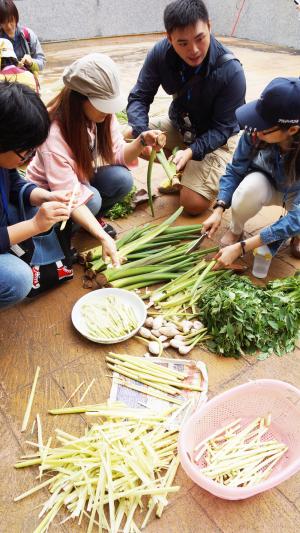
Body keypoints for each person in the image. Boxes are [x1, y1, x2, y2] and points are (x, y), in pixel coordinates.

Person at [26, 53, 165, 247]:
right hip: (48, 194)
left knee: (121, 179)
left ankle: (86, 223)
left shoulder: (102, 116)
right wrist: (102, 237)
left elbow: (117, 153)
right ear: (79, 99)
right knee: (91, 201)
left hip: (78, 180)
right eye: (102, 105)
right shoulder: (54, 133)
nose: (108, 111)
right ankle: (57, 236)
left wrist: (142, 141)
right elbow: (70, 195)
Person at [126, 0, 246, 215]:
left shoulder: (231, 71)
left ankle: (220, 173)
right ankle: (185, 170)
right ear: (169, 38)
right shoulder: (159, 54)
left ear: (209, 26)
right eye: (182, 43)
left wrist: (192, 151)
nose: (194, 50)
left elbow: (223, 129)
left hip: (216, 139)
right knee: (126, 135)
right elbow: (139, 97)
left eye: (200, 38)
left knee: (192, 204)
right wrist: (142, 133)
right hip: (181, 125)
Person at [202, 77, 300, 266]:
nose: (255, 130)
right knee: (247, 190)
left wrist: (243, 247)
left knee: (297, 222)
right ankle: (236, 229)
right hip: (267, 181)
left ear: (293, 129)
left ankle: (297, 235)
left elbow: (297, 216)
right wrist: (219, 208)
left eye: (264, 127)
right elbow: (235, 170)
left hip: (297, 194)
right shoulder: (255, 132)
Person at [0, 80, 76, 309]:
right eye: (25, 153)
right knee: (17, 280)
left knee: (44, 212)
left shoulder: (5, 158)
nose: (29, 158)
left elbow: (14, 182)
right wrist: (34, 225)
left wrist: (44, 195)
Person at [0, 0, 45, 73]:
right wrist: (12, 69)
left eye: (11, 20)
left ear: (16, 17)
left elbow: (42, 62)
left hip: (27, 82)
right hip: (5, 83)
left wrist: (31, 63)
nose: (8, 26)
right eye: (3, 22)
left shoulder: (28, 35)